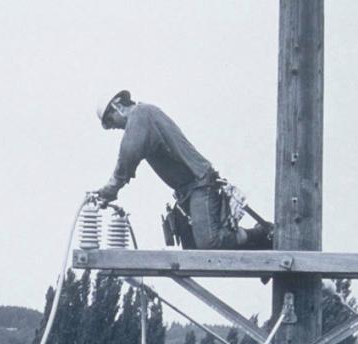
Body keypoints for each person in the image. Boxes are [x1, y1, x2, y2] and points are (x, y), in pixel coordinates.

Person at [93, 90, 273, 251]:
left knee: (209, 243)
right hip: (189, 190)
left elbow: (128, 156)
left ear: (117, 105)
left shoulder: (141, 115)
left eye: (110, 120)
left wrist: (110, 189)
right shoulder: (145, 115)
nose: (113, 127)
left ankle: (259, 235)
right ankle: (260, 245)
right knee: (193, 246)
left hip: (200, 183)